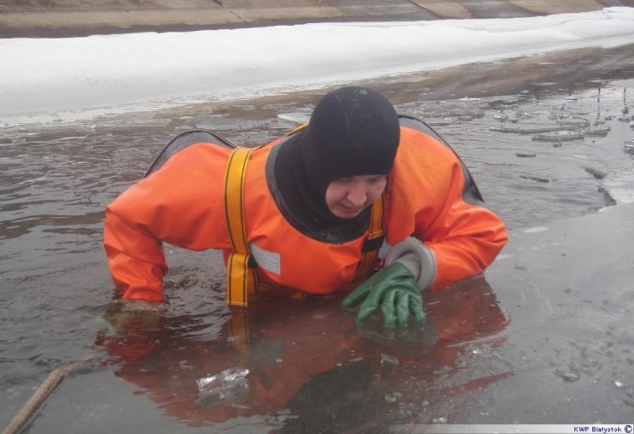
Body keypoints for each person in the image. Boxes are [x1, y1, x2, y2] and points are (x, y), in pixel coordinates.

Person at [103, 86, 508, 326]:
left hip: (362, 310)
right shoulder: (232, 188)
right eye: (344, 179)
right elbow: (129, 219)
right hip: (270, 314)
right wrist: (141, 299)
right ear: (317, 166)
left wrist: (415, 267)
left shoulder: (419, 170)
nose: (358, 197)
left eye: (373, 181)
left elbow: (482, 234)